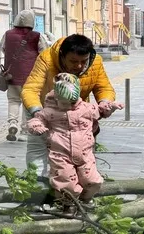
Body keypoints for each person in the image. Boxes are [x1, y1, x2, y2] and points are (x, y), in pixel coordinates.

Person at [21, 34, 119, 176]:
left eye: (83, 61)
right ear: (62, 55)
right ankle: (37, 183)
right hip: (42, 108)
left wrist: (105, 102)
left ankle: (79, 183)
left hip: (75, 112)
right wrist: (37, 113)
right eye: (73, 61)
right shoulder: (46, 58)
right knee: (38, 147)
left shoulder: (95, 61)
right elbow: (30, 89)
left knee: (79, 150)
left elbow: (103, 88)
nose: (79, 66)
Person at [28, 73, 122, 206]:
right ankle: (68, 205)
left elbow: (101, 111)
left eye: (73, 102)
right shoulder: (49, 112)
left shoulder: (86, 109)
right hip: (60, 154)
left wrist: (111, 107)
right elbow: (37, 119)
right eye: (64, 103)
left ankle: (85, 200)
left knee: (92, 180)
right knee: (65, 182)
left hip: (85, 153)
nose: (69, 106)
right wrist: (36, 126)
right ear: (56, 98)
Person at [0, 9, 43, 141]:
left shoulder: (8, 34)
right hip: (31, 75)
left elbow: (2, 48)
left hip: (12, 75)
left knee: (13, 100)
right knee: (27, 102)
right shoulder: (36, 36)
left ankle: (12, 123)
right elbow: (44, 53)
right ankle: (24, 131)